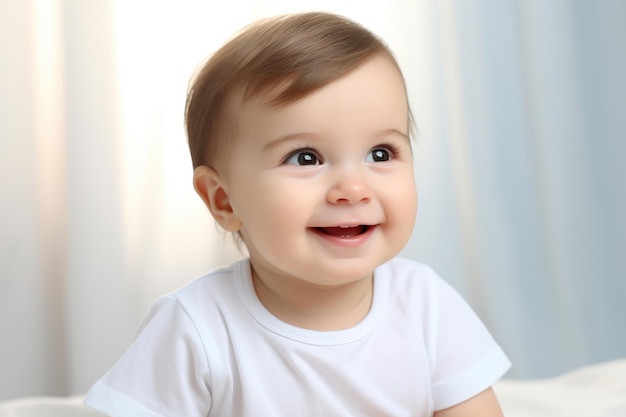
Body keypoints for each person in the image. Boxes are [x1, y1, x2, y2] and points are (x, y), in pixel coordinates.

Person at [84, 11, 511, 417]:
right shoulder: (196, 325)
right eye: (305, 158)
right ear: (223, 200)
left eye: (381, 153)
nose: (353, 189)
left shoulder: (427, 306)